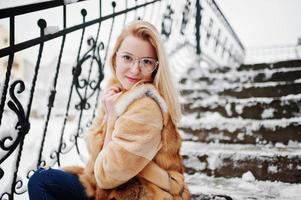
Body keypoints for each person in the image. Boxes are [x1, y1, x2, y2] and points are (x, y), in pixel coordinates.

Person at [28, 20, 191, 200]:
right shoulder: (118, 92)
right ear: (115, 58)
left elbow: (106, 176)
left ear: (155, 67)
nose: (135, 69)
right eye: (127, 58)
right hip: (110, 187)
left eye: (146, 62)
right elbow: (98, 155)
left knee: (44, 183)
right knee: (43, 181)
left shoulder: (146, 107)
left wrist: (112, 117)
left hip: (142, 194)